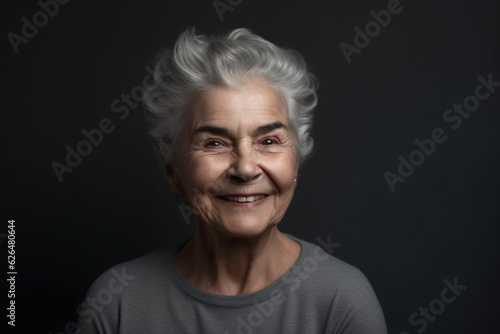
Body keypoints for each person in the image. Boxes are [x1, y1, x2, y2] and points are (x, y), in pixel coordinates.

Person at [78, 27, 388, 334]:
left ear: (296, 161)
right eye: (215, 143)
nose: (245, 168)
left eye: (268, 141)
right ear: (172, 169)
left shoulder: (342, 301)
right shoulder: (117, 301)